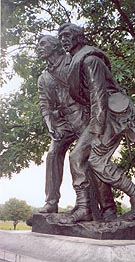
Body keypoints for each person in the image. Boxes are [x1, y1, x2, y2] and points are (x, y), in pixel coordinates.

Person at [58, 23, 135, 224]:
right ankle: (86, 207)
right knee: (83, 159)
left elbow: (98, 95)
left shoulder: (90, 60)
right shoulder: (78, 59)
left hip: (108, 117)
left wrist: (97, 129)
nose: (63, 39)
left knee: (90, 159)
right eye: (61, 36)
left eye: (67, 35)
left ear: (79, 37)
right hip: (102, 117)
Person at [37, 35, 117, 221]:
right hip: (62, 121)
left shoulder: (74, 62)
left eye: (43, 44)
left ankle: (108, 207)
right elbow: (45, 106)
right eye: (38, 45)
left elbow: (94, 89)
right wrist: (51, 127)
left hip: (83, 116)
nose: (39, 48)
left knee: (90, 157)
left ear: (56, 46)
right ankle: (51, 202)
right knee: (53, 152)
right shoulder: (43, 78)